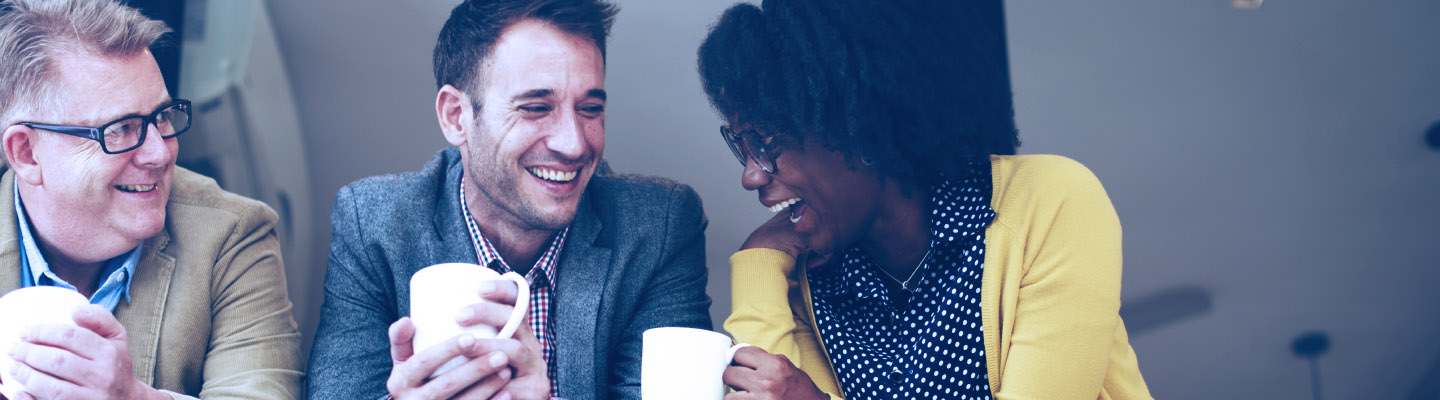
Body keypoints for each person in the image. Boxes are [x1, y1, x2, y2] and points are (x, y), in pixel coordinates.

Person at [698, 1, 1152, 399]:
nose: (751, 175)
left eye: (766, 143)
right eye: (740, 146)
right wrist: (758, 261)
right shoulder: (806, 272)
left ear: (860, 130)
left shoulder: (1049, 203)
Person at [305, 0, 712, 398]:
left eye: (589, 109)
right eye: (536, 108)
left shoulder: (659, 228)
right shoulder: (373, 225)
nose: (573, 144)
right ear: (455, 116)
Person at [0, 0, 303, 398]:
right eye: (122, 128)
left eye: (162, 117)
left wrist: (133, 396)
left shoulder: (233, 236)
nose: (160, 153)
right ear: (26, 152)